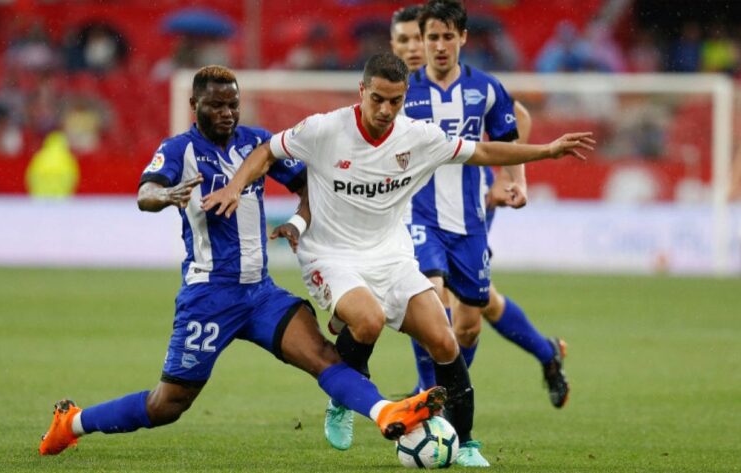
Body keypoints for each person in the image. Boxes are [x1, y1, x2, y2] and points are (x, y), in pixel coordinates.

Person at [202, 53, 593, 466]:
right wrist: (233, 187)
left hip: (391, 256)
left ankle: (466, 442)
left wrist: (546, 151)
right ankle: (342, 399)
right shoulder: (324, 128)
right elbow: (267, 150)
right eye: (378, 100)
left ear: (405, 96)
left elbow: (483, 152)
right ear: (362, 92)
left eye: (395, 101)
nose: (386, 110)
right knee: (367, 319)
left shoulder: (419, 137)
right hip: (331, 254)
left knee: (444, 340)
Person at [37, 65, 449, 457]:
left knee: (325, 356)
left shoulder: (257, 144)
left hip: (260, 293)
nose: (226, 113)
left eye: (232, 104)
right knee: (169, 403)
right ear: (194, 105)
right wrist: (166, 195)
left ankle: (386, 411)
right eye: (216, 105)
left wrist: (299, 224)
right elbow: (146, 192)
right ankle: (72, 423)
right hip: (209, 296)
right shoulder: (178, 149)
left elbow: (311, 187)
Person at [400, 0, 571, 411]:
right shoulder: (402, 89)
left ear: (461, 37)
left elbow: (515, 126)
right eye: (426, 38)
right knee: (431, 297)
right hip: (419, 215)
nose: (436, 46)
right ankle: (433, 398)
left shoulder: (485, 88)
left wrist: (512, 182)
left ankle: (545, 354)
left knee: (472, 319)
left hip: (470, 213)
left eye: (446, 36)